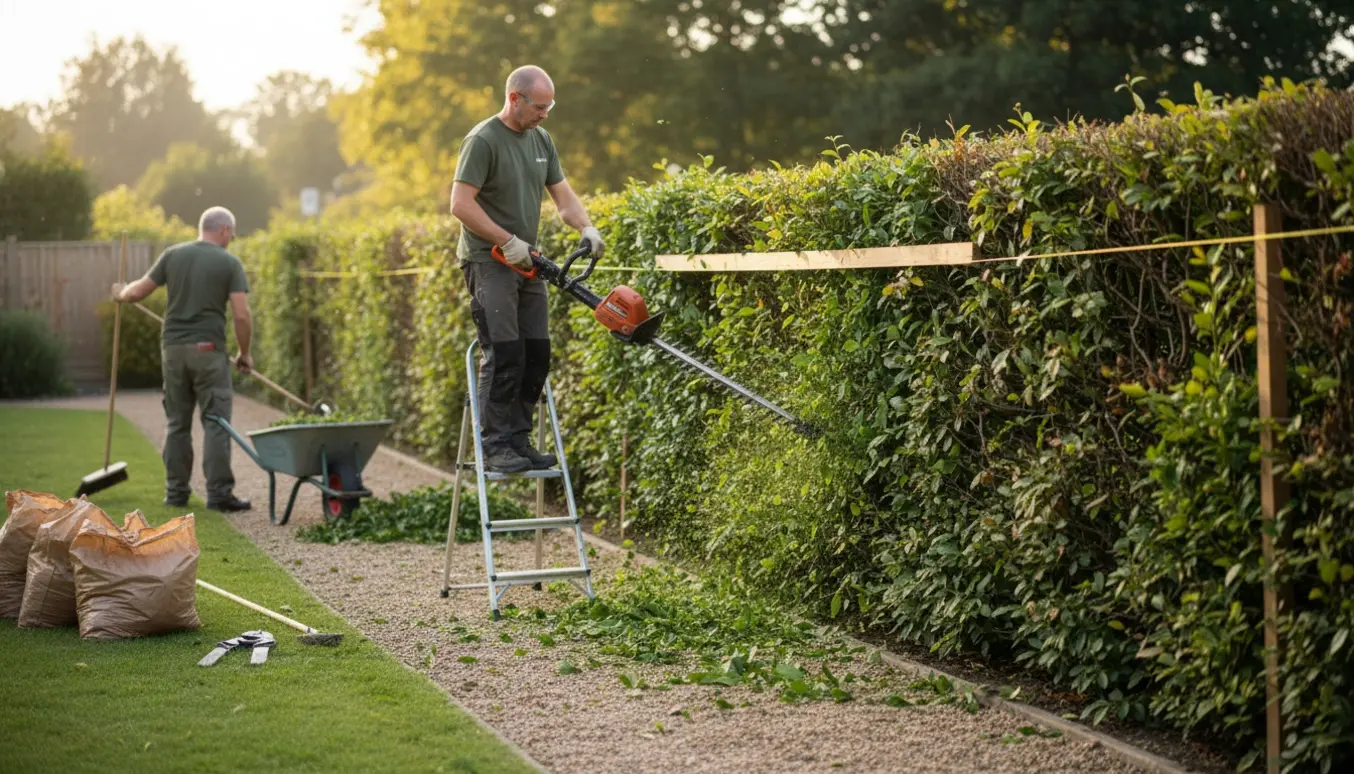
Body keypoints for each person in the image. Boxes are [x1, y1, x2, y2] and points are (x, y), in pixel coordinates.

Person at [450, 65, 604, 473]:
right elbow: (461, 205)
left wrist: (586, 226)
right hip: (490, 261)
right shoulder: (483, 140)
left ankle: (518, 442)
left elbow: (564, 200)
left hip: (527, 262)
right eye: (539, 106)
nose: (545, 114)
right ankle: (495, 445)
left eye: (550, 106)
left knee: (537, 351)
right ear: (515, 98)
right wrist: (506, 240)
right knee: (504, 351)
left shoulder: (542, 140)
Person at [111, 206, 254, 512]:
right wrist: (244, 353)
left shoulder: (172, 255)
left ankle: (176, 493)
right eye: (233, 233)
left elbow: (137, 293)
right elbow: (241, 315)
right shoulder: (229, 262)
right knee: (215, 422)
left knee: (177, 423)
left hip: (173, 350)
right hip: (208, 351)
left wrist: (120, 293)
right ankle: (218, 495)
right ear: (225, 230)